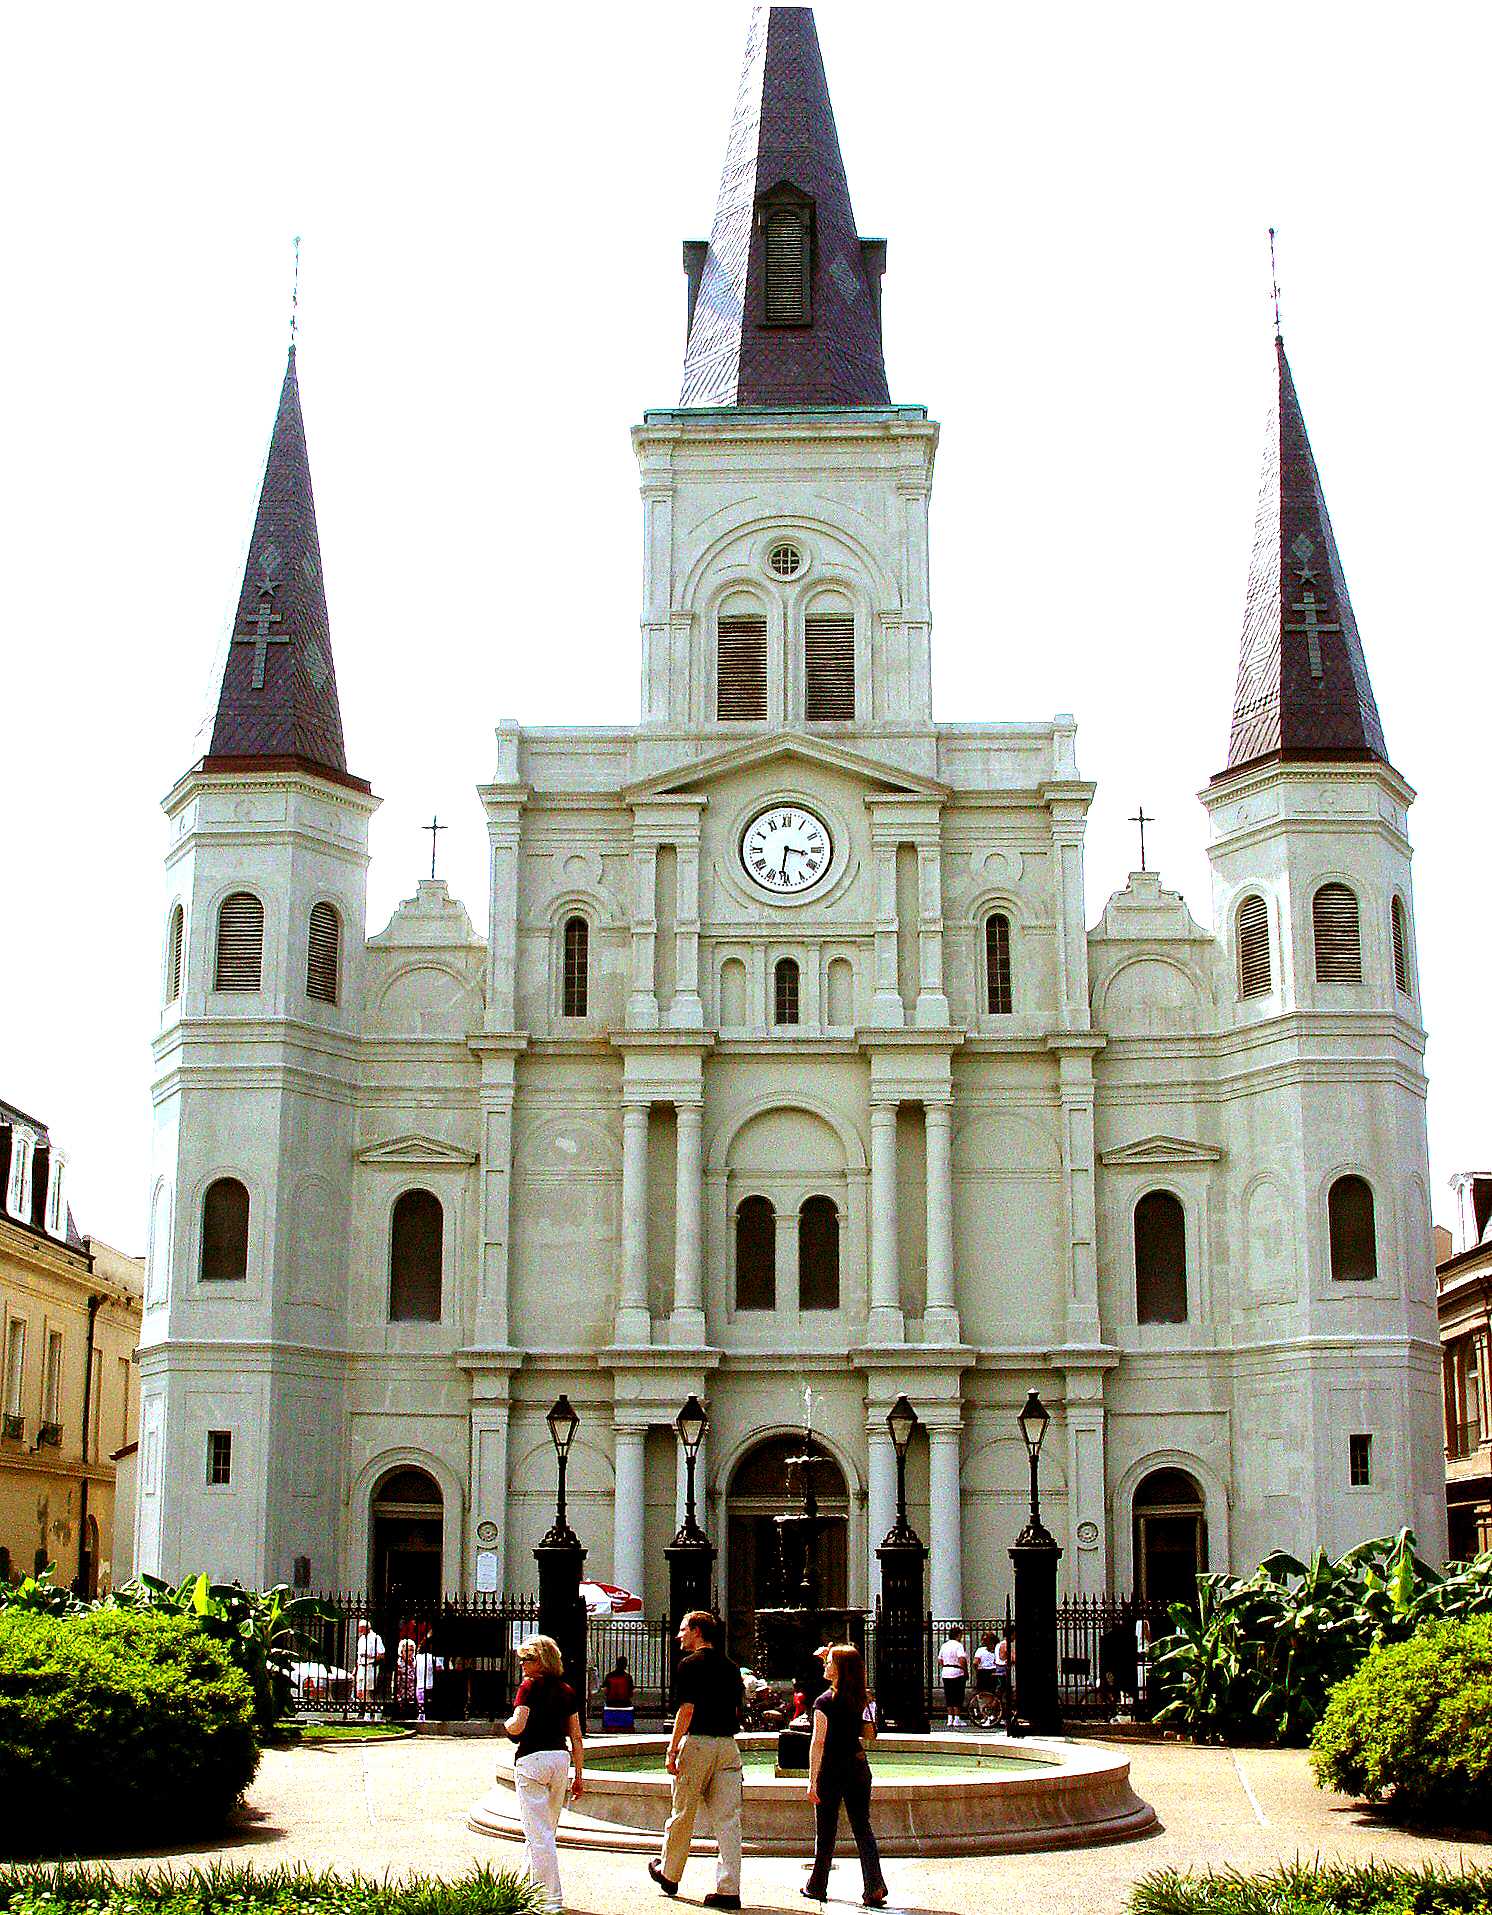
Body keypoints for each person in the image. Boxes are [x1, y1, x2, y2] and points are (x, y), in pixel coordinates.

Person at [649, 1609, 744, 1911]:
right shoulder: (731, 1667)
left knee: (683, 1813)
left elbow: (686, 1710)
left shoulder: (688, 1665)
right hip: (728, 1746)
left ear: (697, 1632)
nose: (679, 1635)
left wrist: (672, 1748)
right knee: (728, 1821)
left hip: (699, 1744)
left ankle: (669, 1873)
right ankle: (729, 1889)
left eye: (683, 1629)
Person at [802, 1644, 888, 1908]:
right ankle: (874, 1885)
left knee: (826, 1831)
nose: (825, 1666)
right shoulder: (862, 1700)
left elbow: (818, 1743)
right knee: (863, 1827)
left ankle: (817, 1885)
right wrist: (871, 1709)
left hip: (831, 1767)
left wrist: (811, 1780)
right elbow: (870, 1736)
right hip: (858, 1765)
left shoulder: (823, 1702)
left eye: (829, 1663)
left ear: (839, 1669)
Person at [504, 1634, 583, 1915]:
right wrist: (579, 1774)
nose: (524, 1663)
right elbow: (576, 1737)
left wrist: (507, 1724)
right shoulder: (566, 1690)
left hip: (532, 1759)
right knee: (544, 1829)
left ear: (543, 1660)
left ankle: (550, 1900)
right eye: (523, 1658)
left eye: (529, 1658)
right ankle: (526, 1888)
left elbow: (518, 1724)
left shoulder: (528, 1687)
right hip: (560, 1759)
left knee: (539, 1833)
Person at [938, 1627, 969, 1726]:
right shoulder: (958, 1645)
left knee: (949, 1695)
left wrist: (945, 1666)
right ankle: (957, 1718)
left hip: (946, 1671)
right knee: (958, 1695)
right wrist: (965, 1671)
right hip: (957, 1671)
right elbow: (962, 1659)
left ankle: (949, 1718)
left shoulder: (944, 1645)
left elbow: (940, 1659)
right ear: (958, 1635)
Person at [353, 1619, 384, 1715]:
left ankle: (367, 1713)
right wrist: (356, 1668)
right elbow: (358, 1656)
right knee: (359, 1691)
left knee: (367, 1691)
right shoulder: (361, 1639)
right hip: (361, 1666)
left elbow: (381, 1655)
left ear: (367, 1628)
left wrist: (369, 1655)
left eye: (361, 1628)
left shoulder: (376, 1638)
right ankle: (372, 1708)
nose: (359, 1630)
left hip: (370, 1666)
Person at [603, 1654, 636, 1731]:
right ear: (626, 1666)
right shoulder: (628, 1677)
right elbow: (631, 1693)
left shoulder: (609, 1676)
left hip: (611, 1703)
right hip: (625, 1703)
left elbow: (605, 1691)